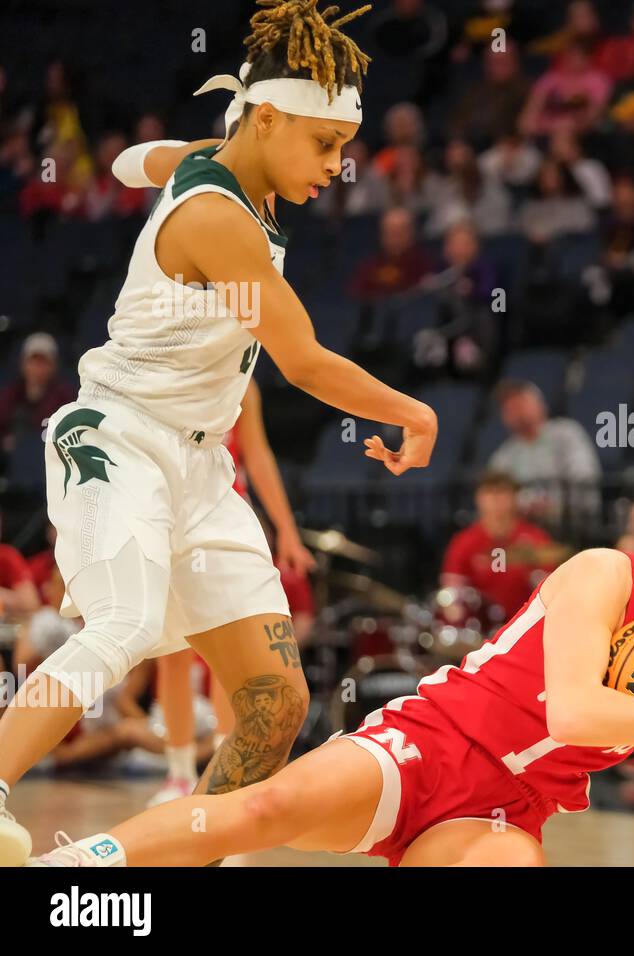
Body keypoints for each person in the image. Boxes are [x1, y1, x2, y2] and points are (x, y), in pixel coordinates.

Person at [0, 0, 440, 867]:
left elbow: (139, 160)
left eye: (342, 149)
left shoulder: (220, 166)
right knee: (124, 625)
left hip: (203, 465)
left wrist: (153, 161)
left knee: (276, 700)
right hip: (120, 434)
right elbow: (305, 363)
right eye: (324, 145)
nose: (336, 166)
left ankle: (141, 865)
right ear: (266, 118)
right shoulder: (218, 217)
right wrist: (416, 412)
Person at [25, 418, 634, 867]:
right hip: (432, 744)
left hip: (504, 813)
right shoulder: (605, 573)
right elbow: (573, 714)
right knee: (260, 812)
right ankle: (72, 870)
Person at [148, 377, 316, 808]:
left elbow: (258, 456)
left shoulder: (244, 385)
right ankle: (179, 774)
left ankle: (228, 770)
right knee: (173, 655)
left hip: (226, 522)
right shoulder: (167, 369)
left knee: (235, 654)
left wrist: (287, 530)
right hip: (173, 520)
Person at [487, 379, 602, 533]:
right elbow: (494, 494)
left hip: (570, 527)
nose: (516, 411)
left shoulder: (567, 434)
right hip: (522, 533)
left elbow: (585, 476)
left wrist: (553, 506)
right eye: (508, 407)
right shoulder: (504, 454)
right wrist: (522, 505)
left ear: (540, 404)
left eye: (520, 403)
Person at [440, 471, 557, 622]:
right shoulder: (465, 541)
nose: (496, 501)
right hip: (480, 626)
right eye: (489, 493)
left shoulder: (535, 539)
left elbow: (550, 591)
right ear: (478, 499)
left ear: (515, 498)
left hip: (523, 623)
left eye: (502, 493)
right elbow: (452, 591)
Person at [0, 333, 77, 453]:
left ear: (54, 366)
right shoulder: (11, 394)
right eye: (33, 361)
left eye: (43, 362)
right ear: (23, 365)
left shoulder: (64, 396)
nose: (37, 368)